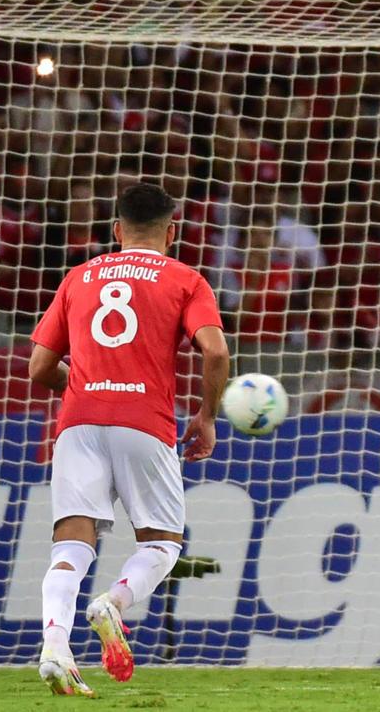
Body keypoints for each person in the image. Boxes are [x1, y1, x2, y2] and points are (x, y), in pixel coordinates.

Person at [27, 182, 231, 696]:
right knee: (162, 544)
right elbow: (216, 353)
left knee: (71, 544)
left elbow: (39, 367)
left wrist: (79, 384)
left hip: (78, 421)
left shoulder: (79, 276)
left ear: (116, 230)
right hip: (145, 420)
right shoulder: (186, 278)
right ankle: (113, 602)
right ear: (173, 230)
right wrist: (206, 416)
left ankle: (55, 645)